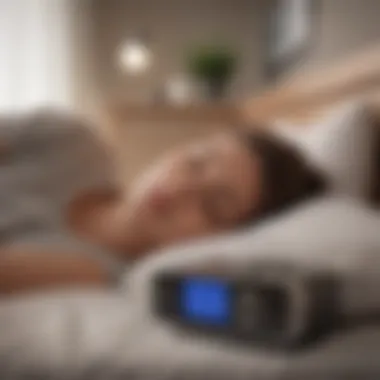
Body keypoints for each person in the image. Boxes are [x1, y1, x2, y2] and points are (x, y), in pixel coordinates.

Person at [0, 111, 325, 296]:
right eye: (195, 162)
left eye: (213, 206)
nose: (180, 188)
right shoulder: (69, 140)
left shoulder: (94, 273)